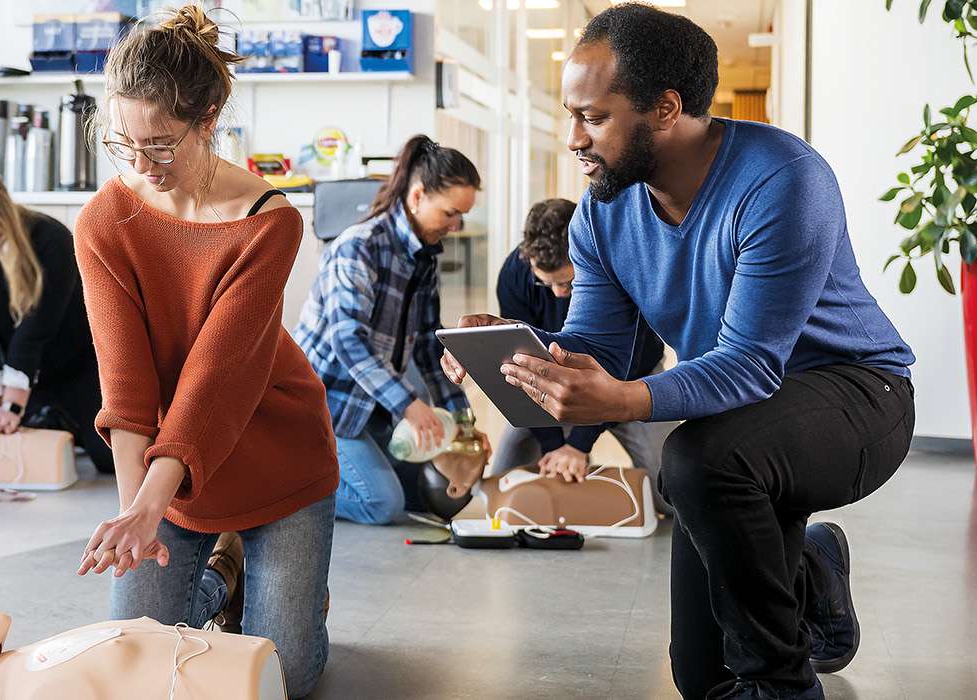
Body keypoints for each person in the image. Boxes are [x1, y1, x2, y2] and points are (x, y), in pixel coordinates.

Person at [442, 6, 915, 699]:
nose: (573, 138)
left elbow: (752, 362)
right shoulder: (604, 211)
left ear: (666, 108)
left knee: (697, 460)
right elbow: (602, 344)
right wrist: (518, 349)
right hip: (746, 421)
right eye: (571, 114)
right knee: (702, 677)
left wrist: (628, 398)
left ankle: (787, 686)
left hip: (856, 396)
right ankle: (809, 569)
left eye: (594, 117)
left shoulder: (782, 179)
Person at [70, 7, 339, 698]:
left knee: (288, 676)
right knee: (134, 658)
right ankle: (222, 572)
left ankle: (281, 587)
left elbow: (216, 383)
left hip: (276, 453)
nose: (141, 164)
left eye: (160, 144)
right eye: (123, 142)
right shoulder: (105, 221)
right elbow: (127, 393)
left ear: (210, 116)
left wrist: (149, 504)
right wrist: (138, 518)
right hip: (171, 476)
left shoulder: (269, 222)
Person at [293, 134, 490, 526]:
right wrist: (409, 405)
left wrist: (463, 421)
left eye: (461, 217)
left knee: (417, 493)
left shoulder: (423, 258)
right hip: (323, 407)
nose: (455, 226)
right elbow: (347, 340)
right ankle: (285, 493)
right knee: (382, 505)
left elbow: (429, 350)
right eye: (450, 213)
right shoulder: (359, 247)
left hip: (370, 407)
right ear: (417, 197)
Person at [0, 172, 113, 473]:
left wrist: (13, 406)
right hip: (13, 371)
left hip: (76, 365)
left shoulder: (51, 239)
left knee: (109, 461)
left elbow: (37, 328)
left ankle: (57, 421)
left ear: (3, 221)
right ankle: (47, 419)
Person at [491, 197, 671, 486]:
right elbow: (518, 360)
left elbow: (617, 364)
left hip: (630, 380)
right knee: (504, 479)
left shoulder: (616, 264)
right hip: (547, 382)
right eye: (546, 283)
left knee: (670, 489)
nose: (559, 293)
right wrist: (554, 447)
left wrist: (578, 445)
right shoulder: (514, 273)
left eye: (568, 282)